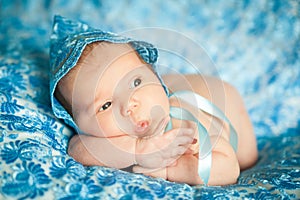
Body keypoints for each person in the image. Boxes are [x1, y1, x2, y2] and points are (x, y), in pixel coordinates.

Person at [50, 16, 258, 186]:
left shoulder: (183, 124)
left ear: (153, 75)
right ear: (76, 123)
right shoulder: (99, 142)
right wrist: (138, 150)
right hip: (169, 91)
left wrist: (174, 169)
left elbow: (229, 168)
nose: (130, 104)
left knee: (247, 158)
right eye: (105, 105)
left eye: (136, 82)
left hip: (220, 104)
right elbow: (78, 150)